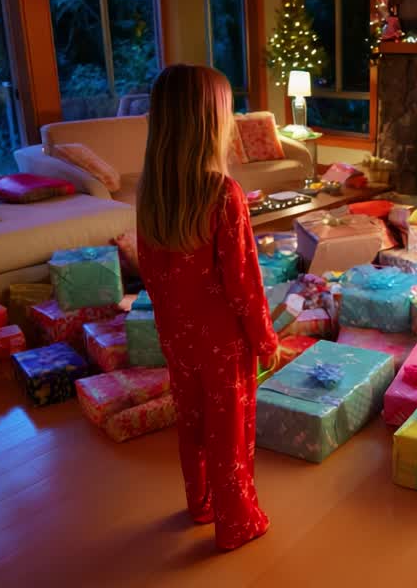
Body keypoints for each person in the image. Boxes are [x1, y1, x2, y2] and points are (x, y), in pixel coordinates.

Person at [137, 64, 277, 550]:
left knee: (192, 422)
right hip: (223, 341)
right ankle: (237, 521)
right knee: (229, 433)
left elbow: (150, 272)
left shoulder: (152, 193)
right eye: (227, 111)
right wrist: (264, 339)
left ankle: (201, 504)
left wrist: (169, 325)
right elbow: (245, 284)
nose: (233, 119)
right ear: (207, 123)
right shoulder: (224, 194)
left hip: (179, 336)